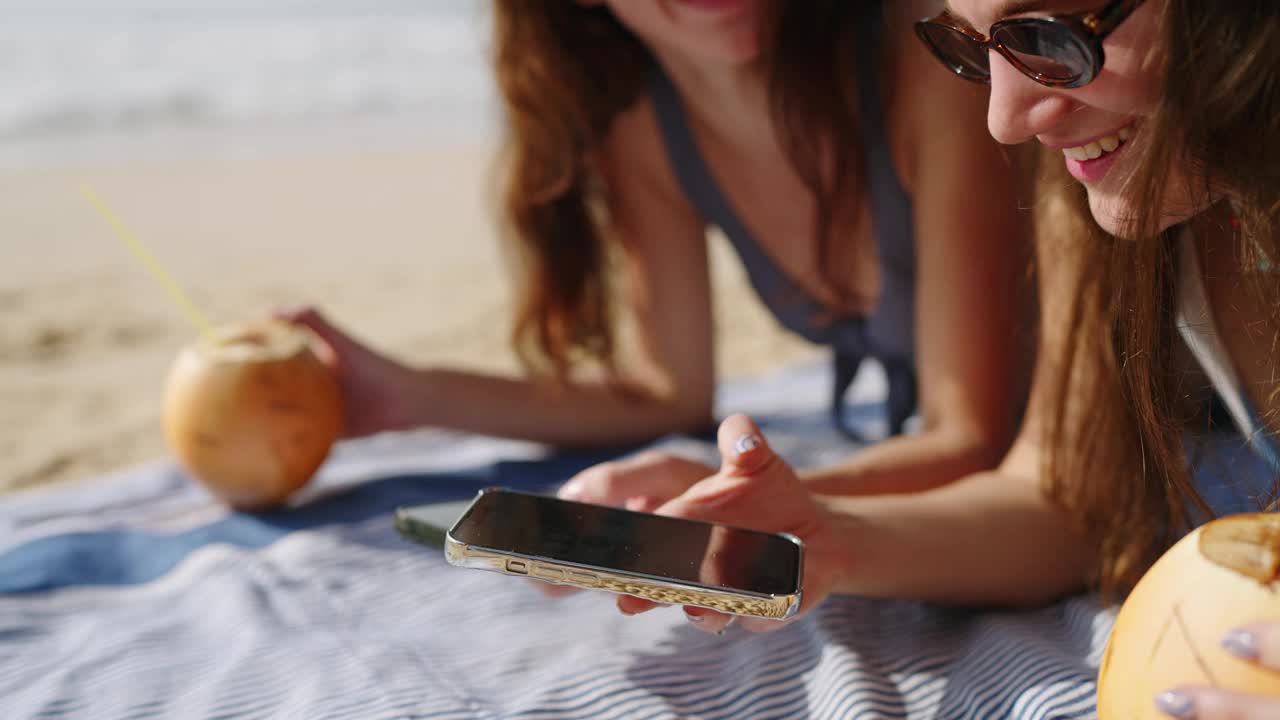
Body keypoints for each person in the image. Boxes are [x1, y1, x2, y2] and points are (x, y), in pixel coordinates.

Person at [561, 2, 1279, 717]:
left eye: (1050, 38)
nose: (1004, 117)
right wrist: (825, 538)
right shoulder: (1108, 198)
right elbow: (1063, 502)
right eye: (972, 47)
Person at [277, 0, 1034, 496]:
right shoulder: (648, 126)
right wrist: (408, 395)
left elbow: (971, 437)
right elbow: (665, 392)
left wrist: (716, 498)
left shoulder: (931, 57)